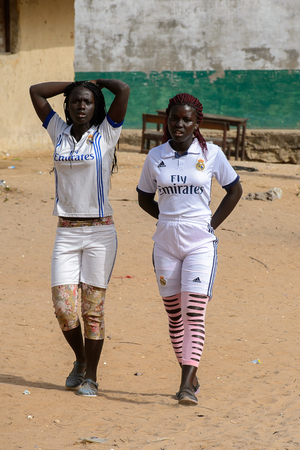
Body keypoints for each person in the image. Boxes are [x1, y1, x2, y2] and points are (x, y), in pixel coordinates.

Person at [137, 93, 242, 405]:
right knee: (174, 316)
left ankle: (185, 383)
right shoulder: (155, 157)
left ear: (197, 123)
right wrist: (168, 220)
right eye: (174, 119)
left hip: (200, 243)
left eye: (186, 119)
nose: (179, 125)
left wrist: (212, 223)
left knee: (194, 311)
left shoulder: (210, 155)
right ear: (167, 121)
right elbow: (144, 197)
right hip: (165, 243)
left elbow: (234, 189)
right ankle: (191, 374)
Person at [29, 78, 130, 397]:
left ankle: (92, 378)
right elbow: (36, 91)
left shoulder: (106, 133)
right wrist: (73, 84)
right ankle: (81, 359)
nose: (81, 106)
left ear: (96, 105)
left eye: (87, 101)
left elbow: (123, 90)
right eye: (75, 101)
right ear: (68, 106)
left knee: (92, 309)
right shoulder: (57, 130)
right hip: (67, 233)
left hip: (100, 232)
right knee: (63, 307)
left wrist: (95, 84)